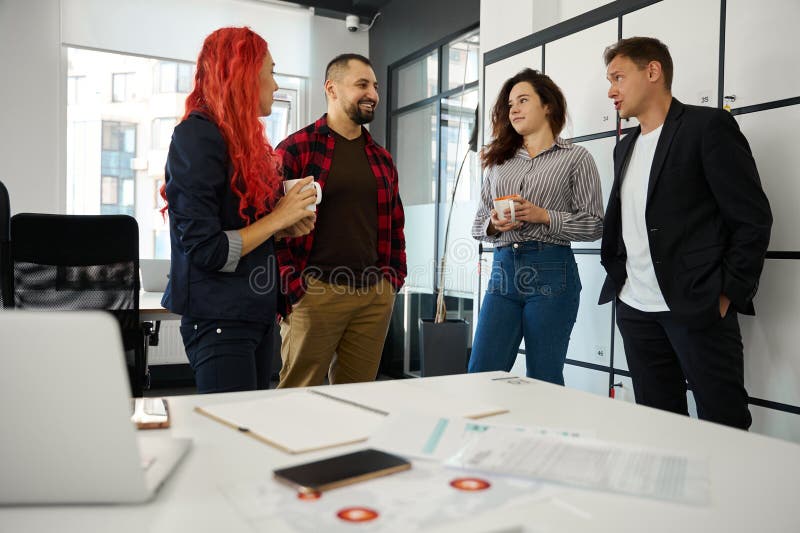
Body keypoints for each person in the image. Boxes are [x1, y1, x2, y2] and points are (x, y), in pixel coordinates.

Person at [599, 37, 772, 429]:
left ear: (653, 71)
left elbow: (752, 218)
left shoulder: (707, 127)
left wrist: (727, 292)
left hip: (697, 307)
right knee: (661, 429)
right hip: (636, 310)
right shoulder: (623, 147)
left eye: (618, 77)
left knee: (722, 424)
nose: (611, 90)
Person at [161, 27, 317, 394]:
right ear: (245, 75)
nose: (276, 86)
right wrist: (278, 217)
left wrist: (282, 227)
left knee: (248, 431)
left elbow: (240, 229)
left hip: (254, 314)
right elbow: (206, 249)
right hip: (219, 319)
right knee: (228, 440)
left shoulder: (238, 141)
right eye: (272, 72)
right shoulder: (196, 137)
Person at [275, 53, 406, 388]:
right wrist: (294, 289)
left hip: (373, 296)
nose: (373, 94)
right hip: (315, 293)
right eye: (362, 84)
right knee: (296, 397)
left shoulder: (382, 159)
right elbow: (274, 226)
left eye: (375, 86)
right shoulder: (296, 150)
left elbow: (395, 224)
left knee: (359, 400)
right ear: (331, 89)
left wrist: (391, 282)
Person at [469, 68, 604, 384]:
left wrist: (545, 216)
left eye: (523, 100)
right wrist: (494, 223)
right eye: (510, 103)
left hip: (552, 273)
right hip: (503, 273)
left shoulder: (575, 158)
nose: (513, 109)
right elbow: (477, 226)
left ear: (548, 106)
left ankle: (541, 436)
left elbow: (596, 224)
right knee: (479, 374)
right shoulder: (500, 163)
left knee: (543, 378)